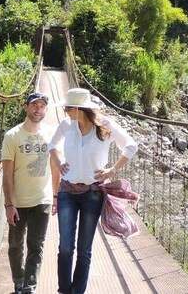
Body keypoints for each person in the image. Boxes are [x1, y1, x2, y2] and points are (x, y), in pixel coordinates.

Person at [49, 87, 138, 294]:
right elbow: (52, 145)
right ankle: (64, 290)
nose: (65, 112)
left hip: (93, 194)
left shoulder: (105, 126)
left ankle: (77, 291)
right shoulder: (66, 126)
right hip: (67, 192)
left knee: (84, 249)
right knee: (65, 247)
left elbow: (131, 146)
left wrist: (112, 170)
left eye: (68, 108)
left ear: (80, 108)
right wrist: (58, 161)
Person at [1, 91, 59, 294]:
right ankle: (18, 280)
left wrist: (55, 195)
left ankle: (29, 287)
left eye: (42, 106)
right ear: (25, 107)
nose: (38, 109)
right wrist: (9, 204)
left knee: (36, 246)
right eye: (34, 105)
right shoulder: (12, 136)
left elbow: (55, 167)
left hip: (41, 199)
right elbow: (7, 174)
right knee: (15, 245)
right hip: (17, 201)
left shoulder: (52, 133)